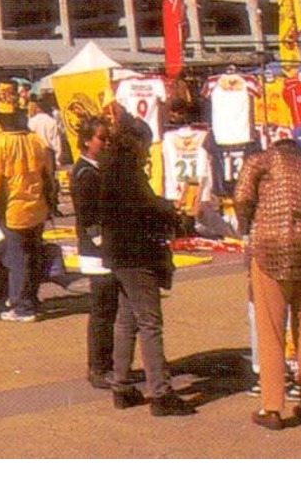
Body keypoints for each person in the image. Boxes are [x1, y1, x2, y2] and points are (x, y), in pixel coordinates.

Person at [234, 136, 301, 429]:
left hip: (270, 248)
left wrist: (248, 226)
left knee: (271, 330)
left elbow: (242, 197)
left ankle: (272, 408)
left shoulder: (261, 160)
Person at [98, 122, 195, 416]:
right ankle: (160, 393)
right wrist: (170, 209)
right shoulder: (128, 171)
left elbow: (140, 205)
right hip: (136, 254)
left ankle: (122, 385)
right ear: (136, 142)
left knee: (127, 321)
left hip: (119, 253)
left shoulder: (111, 167)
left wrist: (161, 206)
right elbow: (143, 208)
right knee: (150, 323)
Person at [0, 90, 55, 323]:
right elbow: (48, 174)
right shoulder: (35, 141)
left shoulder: (0, 144)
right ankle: (31, 299)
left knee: (17, 258)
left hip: (13, 209)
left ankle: (20, 306)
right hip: (37, 206)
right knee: (33, 254)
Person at [69, 113, 129, 389]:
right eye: (101, 139)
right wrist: (104, 243)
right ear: (86, 141)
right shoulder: (85, 172)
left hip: (106, 248)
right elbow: (88, 217)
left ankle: (110, 363)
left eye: (108, 139)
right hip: (97, 253)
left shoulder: (99, 168)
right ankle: (98, 366)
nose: (106, 144)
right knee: (103, 310)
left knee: (110, 308)